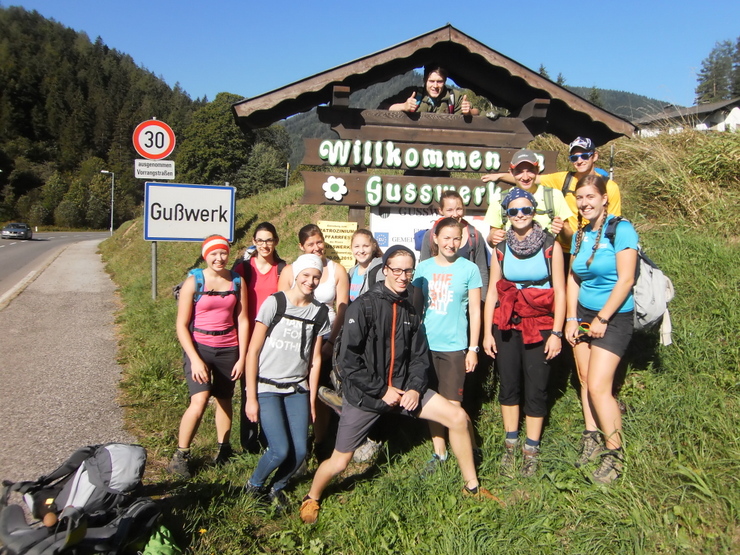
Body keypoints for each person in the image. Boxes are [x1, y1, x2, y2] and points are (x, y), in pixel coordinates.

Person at [299, 246, 498, 525]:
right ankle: (312, 496)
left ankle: (472, 487)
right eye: (397, 270)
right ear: (385, 270)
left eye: (408, 271)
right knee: (340, 462)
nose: (403, 276)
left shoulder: (410, 310)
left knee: (458, 417)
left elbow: (419, 358)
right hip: (367, 396)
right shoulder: (364, 306)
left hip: (405, 391)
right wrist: (382, 391)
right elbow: (348, 361)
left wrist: (415, 388)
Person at [482, 189, 565, 478]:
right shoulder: (501, 247)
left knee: (537, 385)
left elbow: (560, 291)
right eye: (514, 211)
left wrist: (557, 333)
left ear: (534, 211)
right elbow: (493, 291)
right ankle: (510, 445)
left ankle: (531, 449)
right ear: (506, 214)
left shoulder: (551, 245)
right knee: (508, 383)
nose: (520, 215)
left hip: (540, 324)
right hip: (506, 324)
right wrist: (487, 333)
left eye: (526, 210)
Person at [243, 254, 331, 512]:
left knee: (301, 451)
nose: (310, 281)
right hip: (267, 386)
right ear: (296, 275)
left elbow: (315, 360)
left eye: (316, 277)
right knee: (279, 450)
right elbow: (253, 351)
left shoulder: (320, 312)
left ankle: (277, 486)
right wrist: (251, 397)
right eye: (306, 275)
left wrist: (312, 401)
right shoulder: (275, 303)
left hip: (297, 389)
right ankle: (254, 485)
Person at [564, 175, 637, 484]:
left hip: (614, 316)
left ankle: (614, 452)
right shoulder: (580, 235)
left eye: (590, 197)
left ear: (605, 198)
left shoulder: (621, 229)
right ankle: (591, 435)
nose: (585, 203)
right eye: (580, 198)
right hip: (583, 314)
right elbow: (573, 278)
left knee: (597, 386)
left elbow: (626, 279)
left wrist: (603, 318)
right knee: (584, 379)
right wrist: (570, 317)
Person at [168, 235, 249, 479]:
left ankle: (224, 449)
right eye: (214, 253)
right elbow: (181, 325)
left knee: (225, 398)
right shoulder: (194, 282)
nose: (219, 258)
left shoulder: (237, 281)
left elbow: (243, 319)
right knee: (200, 399)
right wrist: (194, 359)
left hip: (229, 347)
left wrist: (242, 357)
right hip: (200, 347)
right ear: (206, 255)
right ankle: (181, 455)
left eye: (223, 253)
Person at [482, 137, 622, 269]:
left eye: (584, 156)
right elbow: (529, 179)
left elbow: (612, 224)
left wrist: (603, 246)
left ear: (594, 156)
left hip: (591, 248)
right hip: (565, 250)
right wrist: (499, 176)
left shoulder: (609, 187)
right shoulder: (563, 179)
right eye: (574, 158)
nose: (579, 161)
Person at [413, 218, 483, 474]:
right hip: (426, 346)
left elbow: (475, 311)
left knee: (453, 406)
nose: (451, 243)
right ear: (435, 239)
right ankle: (439, 453)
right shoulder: (423, 268)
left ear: (462, 240)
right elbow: (416, 308)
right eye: (446, 238)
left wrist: (473, 348)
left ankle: (470, 450)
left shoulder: (469, 269)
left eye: (456, 238)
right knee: (432, 403)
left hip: (454, 347)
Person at [278, 224, 349, 455]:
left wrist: (331, 342)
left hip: (327, 338)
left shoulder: (337, 270)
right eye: (310, 244)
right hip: (296, 339)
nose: (317, 247)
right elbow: (281, 306)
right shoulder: (290, 271)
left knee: (321, 392)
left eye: (319, 242)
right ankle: (295, 441)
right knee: (296, 390)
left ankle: (320, 441)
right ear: (301, 247)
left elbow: (342, 308)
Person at [233, 222, 286, 453]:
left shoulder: (282, 269)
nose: (265, 245)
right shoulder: (243, 268)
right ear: (254, 242)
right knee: (248, 387)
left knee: (270, 388)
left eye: (269, 240)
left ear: (276, 241)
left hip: (273, 337)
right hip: (247, 335)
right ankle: (248, 440)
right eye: (260, 240)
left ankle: (268, 437)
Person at [482, 150, 573, 249]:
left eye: (530, 171)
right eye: (519, 172)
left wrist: (563, 230)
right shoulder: (499, 199)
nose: (525, 177)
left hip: (546, 256)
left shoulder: (554, 196)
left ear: (537, 170)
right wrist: (493, 237)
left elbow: (569, 239)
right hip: (512, 256)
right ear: (511, 172)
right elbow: (492, 239)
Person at [419, 190, 489, 297]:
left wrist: (482, 300)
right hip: (437, 298)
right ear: (441, 210)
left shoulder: (474, 236)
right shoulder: (430, 235)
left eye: (459, 209)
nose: (455, 214)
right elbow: (424, 270)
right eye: (450, 210)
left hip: (466, 299)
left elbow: (482, 271)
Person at [381, 64, 474, 115]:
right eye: (431, 81)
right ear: (425, 80)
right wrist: (404, 106)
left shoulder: (454, 97)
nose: (435, 86)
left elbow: (477, 112)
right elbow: (383, 107)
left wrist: (469, 111)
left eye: (439, 81)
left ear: (445, 81)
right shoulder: (412, 93)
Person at [347, 229, 384, 302]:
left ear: (373, 247)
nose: (361, 251)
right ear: (351, 248)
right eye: (356, 246)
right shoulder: (351, 272)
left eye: (366, 246)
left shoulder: (380, 270)